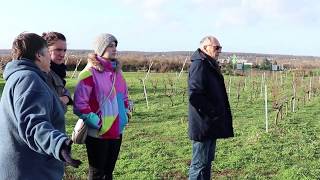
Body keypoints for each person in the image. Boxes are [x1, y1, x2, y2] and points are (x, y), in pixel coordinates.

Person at [0, 32, 81, 180]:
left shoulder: (17, 76)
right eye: (47, 53)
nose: (50, 58)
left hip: (19, 165)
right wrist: (59, 144)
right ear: (39, 55)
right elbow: (33, 123)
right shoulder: (29, 79)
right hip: (31, 169)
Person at [73, 33, 130, 180]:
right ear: (100, 48)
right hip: (98, 134)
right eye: (110, 45)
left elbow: (124, 97)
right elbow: (80, 105)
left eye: (115, 45)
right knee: (97, 175)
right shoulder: (88, 73)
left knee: (108, 173)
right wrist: (98, 124)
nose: (114, 48)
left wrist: (126, 115)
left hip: (117, 131)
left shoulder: (118, 72)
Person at [188, 35, 234, 179]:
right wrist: (213, 112)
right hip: (203, 123)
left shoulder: (209, 64)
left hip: (210, 123)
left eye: (220, 47)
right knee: (199, 164)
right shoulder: (200, 65)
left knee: (207, 162)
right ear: (205, 48)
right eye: (216, 47)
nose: (219, 50)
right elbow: (195, 96)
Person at [42, 32, 72, 112]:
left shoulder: (59, 70)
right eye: (58, 50)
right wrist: (63, 99)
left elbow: (62, 89)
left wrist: (66, 96)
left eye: (64, 50)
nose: (62, 54)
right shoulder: (43, 72)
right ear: (46, 50)